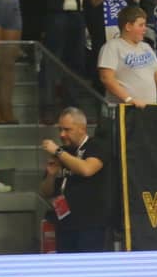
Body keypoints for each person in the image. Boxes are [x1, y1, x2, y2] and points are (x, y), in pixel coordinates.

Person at [39, 107, 111, 253]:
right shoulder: (62, 151)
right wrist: (51, 175)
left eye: (67, 130)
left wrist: (58, 152)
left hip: (90, 225)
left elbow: (87, 169)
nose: (62, 134)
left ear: (82, 128)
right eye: (60, 129)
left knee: (87, 265)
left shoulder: (97, 146)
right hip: (64, 223)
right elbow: (46, 192)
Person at [97, 5, 157, 106]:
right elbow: (106, 78)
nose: (145, 29)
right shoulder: (112, 46)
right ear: (128, 26)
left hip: (149, 108)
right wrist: (129, 99)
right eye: (141, 25)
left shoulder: (146, 47)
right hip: (125, 109)